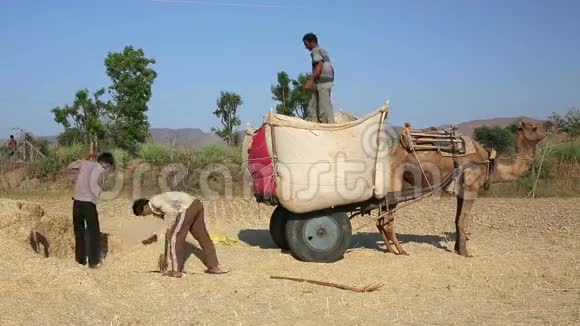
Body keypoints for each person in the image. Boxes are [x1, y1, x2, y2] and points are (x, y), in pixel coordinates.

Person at [132, 191, 227, 278]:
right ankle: (214, 266)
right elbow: (166, 225)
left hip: (187, 207)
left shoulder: (156, 202)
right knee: (202, 237)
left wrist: (165, 255)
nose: (145, 216)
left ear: (145, 207)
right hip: (196, 204)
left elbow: (171, 217)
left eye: (143, 214)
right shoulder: (156, 208)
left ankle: (176, 271)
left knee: (175, 238)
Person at [66, 152, 115, 268]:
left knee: (79, 232)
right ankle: (93, 262)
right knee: (93, 232)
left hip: (76, 202)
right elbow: (102, 186)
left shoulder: (83, 163)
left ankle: (80, 260)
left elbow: (70, 168)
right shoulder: (103, 171)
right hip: (89, 203)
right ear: (107, 163)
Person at [303, 33, 335, 124]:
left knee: (323, 108)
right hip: (326, 82)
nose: (306, 47)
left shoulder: (315, 51)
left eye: (306, 44)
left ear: (312, 42)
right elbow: (331, 68)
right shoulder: (323, 51)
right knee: (314, 105)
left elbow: (319, 65)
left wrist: (311, 80)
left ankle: (328, 126)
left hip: (322, 83)